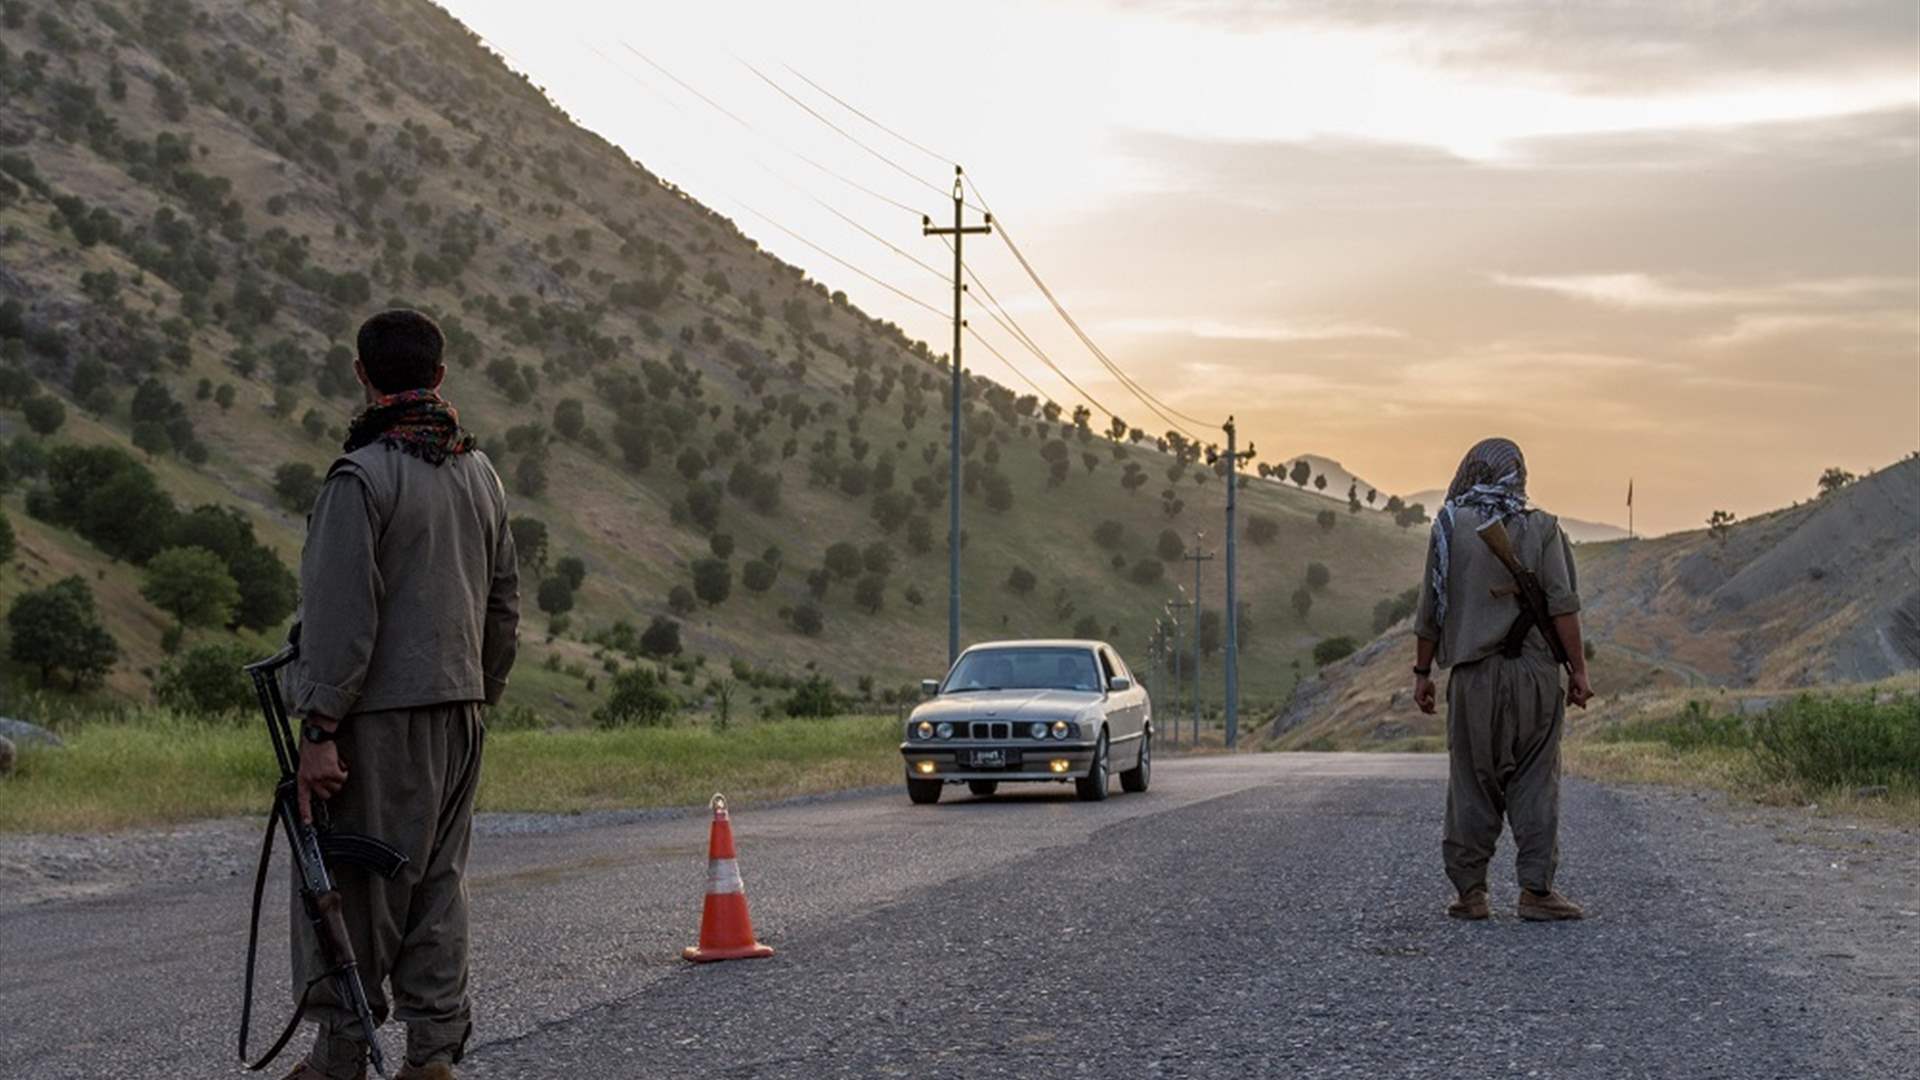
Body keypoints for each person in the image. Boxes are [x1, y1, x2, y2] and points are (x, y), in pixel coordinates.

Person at [284, 309, 520, 1080]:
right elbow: (503, 606)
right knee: (436, 886)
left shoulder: (361, 477)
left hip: (376, 721)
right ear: (440, 377)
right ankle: (433, 1055)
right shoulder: (480, 474)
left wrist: (320, 728)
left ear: (361, 373)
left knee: (354, 886)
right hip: (462, 713)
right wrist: (477, 692)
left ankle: (341, 1058)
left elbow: (340, 616)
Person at [1412, 437, 1591, 923]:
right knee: (1535, 779)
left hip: (1473, 678)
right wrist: (1578, 671)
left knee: (1471, 782)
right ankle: (1536, 891)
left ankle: (1471, 893)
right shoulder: (1544, 528)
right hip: (1535, 677)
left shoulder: (1449, 526)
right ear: (1519, 474)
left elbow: (1431, 611)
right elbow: (1563, 606)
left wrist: (1422, 673)